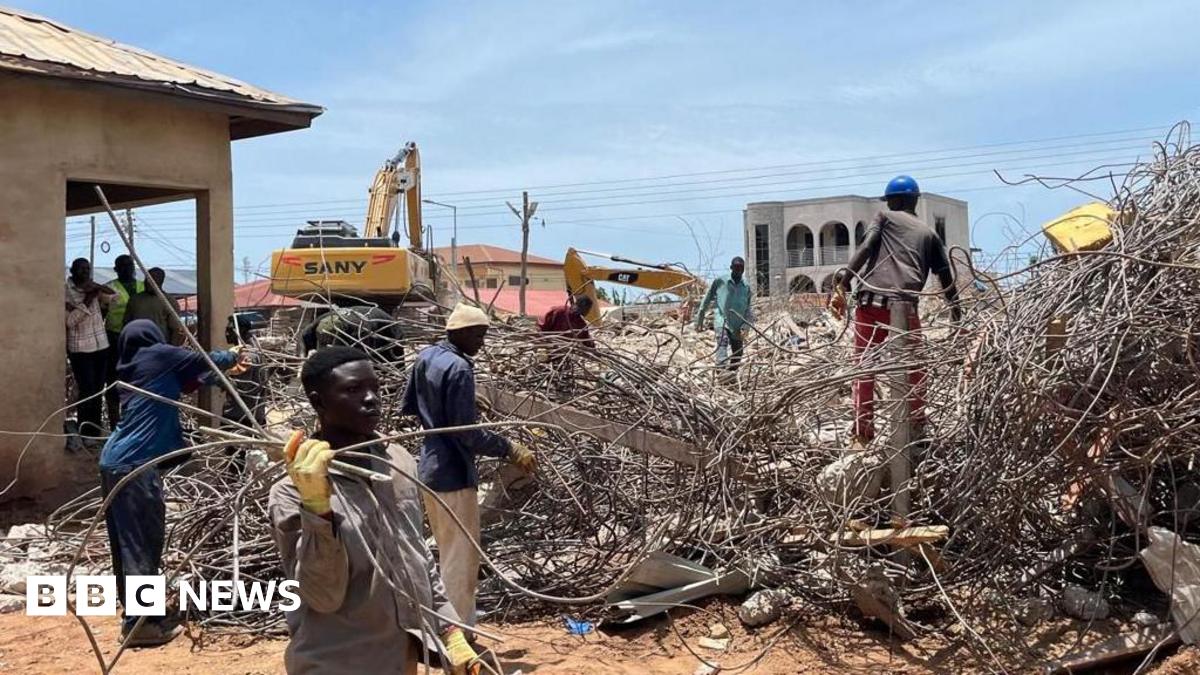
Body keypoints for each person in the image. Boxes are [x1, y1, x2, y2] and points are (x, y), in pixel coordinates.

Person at [269, 347, 479, 675]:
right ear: (318, 401)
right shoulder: (292, 490)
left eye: (375, 388)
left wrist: (449, 629)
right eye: (353, 390)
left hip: (398, 659)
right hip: (335, 663)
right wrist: (317, 509)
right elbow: (321, 596)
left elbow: (416, 556)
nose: (371, 399)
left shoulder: (397, 461)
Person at [98, 320, 244, 647]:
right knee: (143, 542)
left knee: (127, 543)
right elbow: (207, 360)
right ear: (153, 337)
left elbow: (189, 380)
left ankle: (137, 612)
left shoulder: (137, 365)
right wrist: (232, 355)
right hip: (136, 464)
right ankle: (141, 626)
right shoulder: (157, 355)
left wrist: (222, 370)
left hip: (116, 461)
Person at [401, 304, 536, 627]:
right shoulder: (460, 368)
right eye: (478, 335)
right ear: (458, 332)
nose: (481, 343)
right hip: (454, 474)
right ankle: (458, 632)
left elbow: (409, 406)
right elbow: (466, 434)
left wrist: (450, 404)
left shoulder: (426, 357)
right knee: (460, 560)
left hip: (429, 468)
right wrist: (510, 448)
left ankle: (441, 624)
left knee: (445, 552)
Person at [828, 175, 961, 444]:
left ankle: (862, 433)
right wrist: (956, 313)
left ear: (894, 201)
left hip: (870, 302)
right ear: (915, 200)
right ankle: (916, 428)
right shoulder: (930, 235)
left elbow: (866, 248)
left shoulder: (884, 218)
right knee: (914, 370)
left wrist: (844, 282)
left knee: (864, 368)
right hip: (904, 306)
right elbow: (945, 277)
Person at [66, 258, 115, 442]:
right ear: (73, 271)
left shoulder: (92, 289)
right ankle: (85, 429)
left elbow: (114, 297)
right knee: (86, 390)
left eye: (87, 269)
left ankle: (94, 431)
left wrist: (97, 287)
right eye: (80, 269)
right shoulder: (66, 292)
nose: (84, 272)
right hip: (80, 349)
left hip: (100, 346)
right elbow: (70, 321)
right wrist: (86, 301)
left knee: (97, 389)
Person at [104, 255, 144, 426]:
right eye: (123, 265)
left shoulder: (144, 286)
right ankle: (114, 421)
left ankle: (133, 420)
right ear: (116, 269)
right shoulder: (109, 288)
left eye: (130, 265)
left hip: (139, 341)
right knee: (114, 379)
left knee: (137, 380)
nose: (127, 268)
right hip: (115, 338)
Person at [693, 257, 754, 370]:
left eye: (741, 268)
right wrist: (700, 318)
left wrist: (746, 326)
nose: (738, 270)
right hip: (722, 320)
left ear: (744, 269)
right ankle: (721, 371)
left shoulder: (746, 287)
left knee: (738, 352)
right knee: (722, 342)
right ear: (731, 268)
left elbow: (748, 309)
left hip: (738, 325)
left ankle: (731, 374)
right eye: (736, 267)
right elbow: (707, 299)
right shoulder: (720, 281)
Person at [299, 305, 404, 363]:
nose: (326, 345)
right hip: (357, 321)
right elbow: (302, 340)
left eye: (330, 342)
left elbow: (359, 360)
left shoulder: (359, 332)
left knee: (384, 366)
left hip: (388, 331)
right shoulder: (319, 323)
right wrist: (301, 362)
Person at [123, 267, 181, 345]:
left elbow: (175, 330)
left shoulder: (169, 301)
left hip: (160, 346)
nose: (148, 282)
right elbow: (126, 324)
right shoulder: (135, 300)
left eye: (152, 280)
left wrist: (172, 350)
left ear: (160, 282)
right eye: (147, 279)